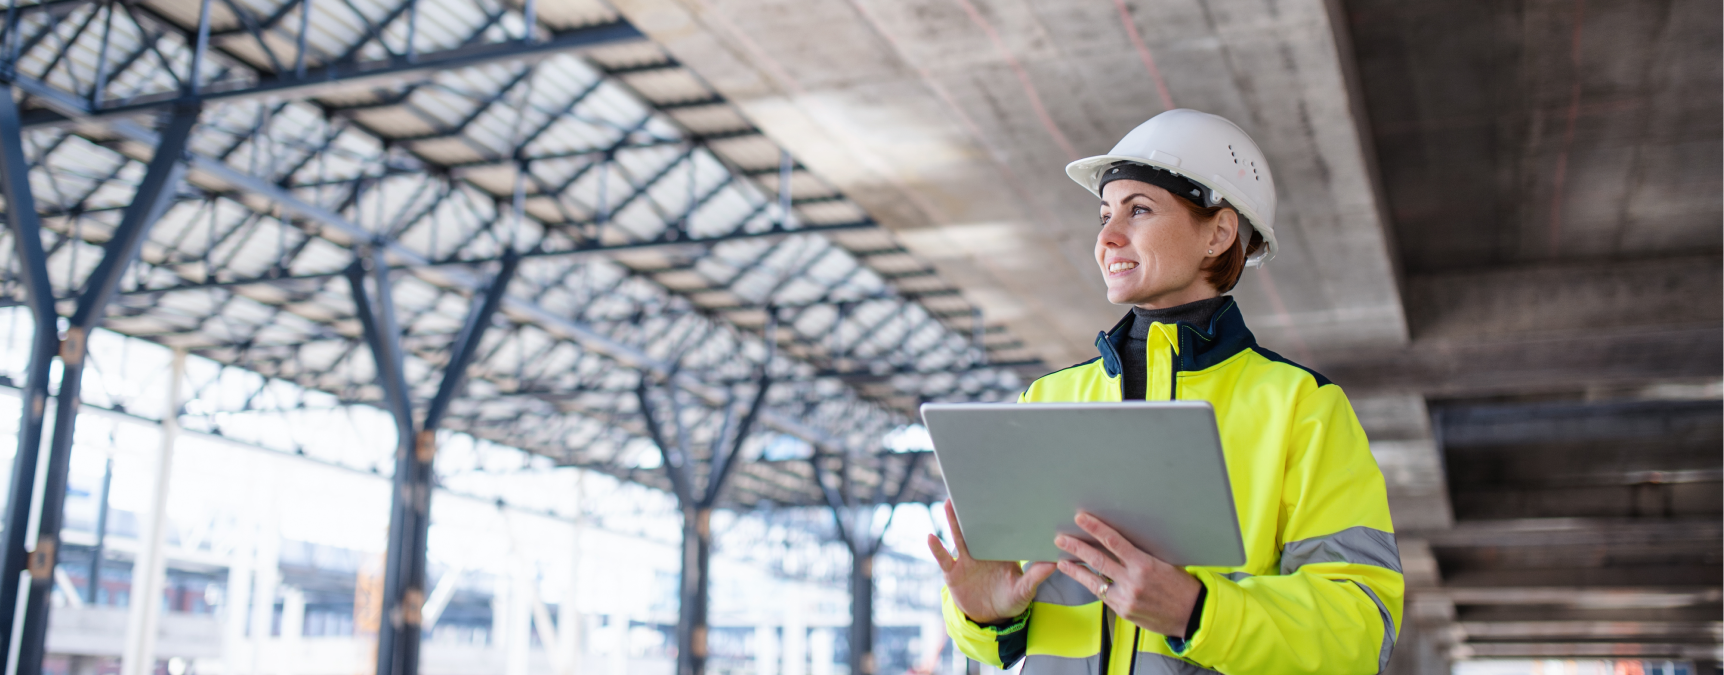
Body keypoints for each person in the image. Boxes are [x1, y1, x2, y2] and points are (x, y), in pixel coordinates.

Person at [927, 109, 1403, 675]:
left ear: (1218, 233)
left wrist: (1199, 614)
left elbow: (1361, 630)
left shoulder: (1302, 407)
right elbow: (999, 644)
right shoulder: (1048, 399)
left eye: (1140, 211)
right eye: (1105, 215)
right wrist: (984, 618)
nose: (1106, 238)